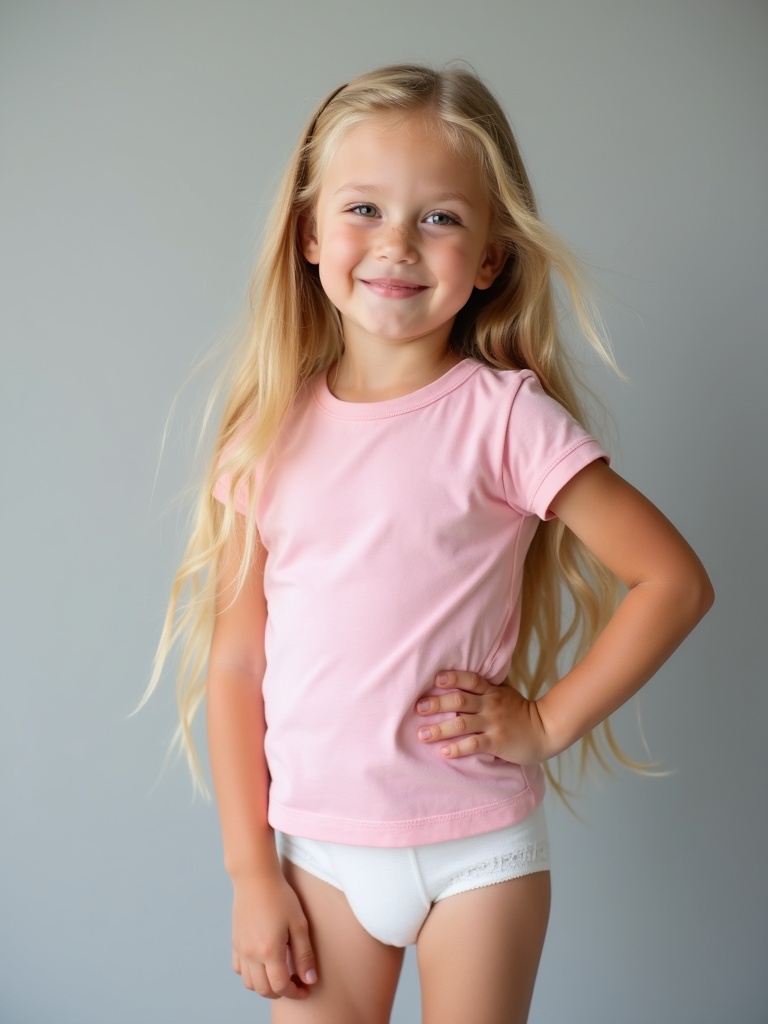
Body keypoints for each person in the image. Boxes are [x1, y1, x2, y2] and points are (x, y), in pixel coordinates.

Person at [146, 63, 714, 1024]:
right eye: (364, 207)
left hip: (478, 853)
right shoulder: (266, 436)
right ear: (310, 234)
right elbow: (237, 663)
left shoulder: (506, 420)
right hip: (318, 856)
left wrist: (545, 724)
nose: (397, 244)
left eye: (441, 218)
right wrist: (252, 874)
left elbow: (673, 580)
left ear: (491, 256)